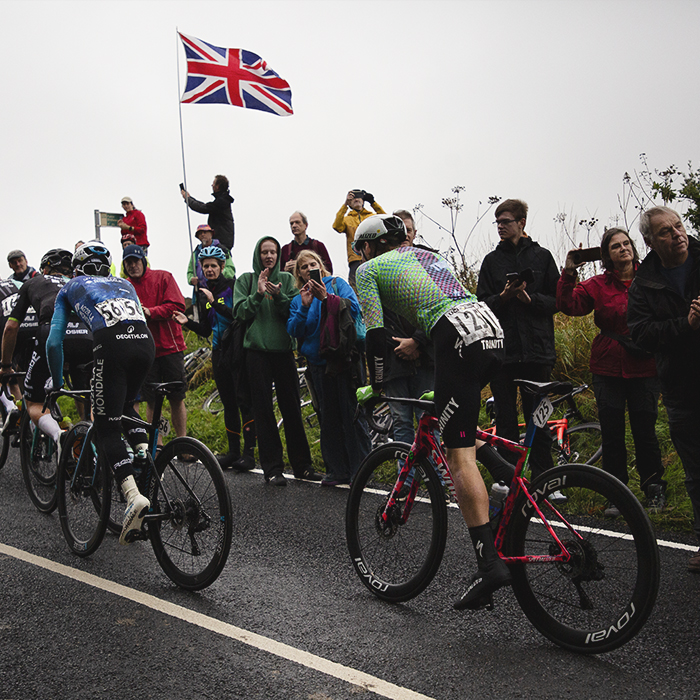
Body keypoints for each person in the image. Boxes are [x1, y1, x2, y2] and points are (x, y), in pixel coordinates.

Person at [354, 214, 510, 611]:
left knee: (458, 457)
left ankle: (489, 564)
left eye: (362, 249)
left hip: (454, 336)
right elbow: (443, 301)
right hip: (487, 326)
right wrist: (422, 344)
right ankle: (510, 482)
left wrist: (377, 385)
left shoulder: (369, 269)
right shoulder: (427, 253)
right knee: (457, 423)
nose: (362, 255)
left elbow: (374, 337)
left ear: (369, 246)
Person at [46, 241, 155, 546]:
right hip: (145, 342)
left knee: (105, 425)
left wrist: (56, 383)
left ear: (77, 267)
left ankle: (133, 496)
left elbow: (55, 343)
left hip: (111, 343)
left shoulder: (70, 287)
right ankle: (144, 457)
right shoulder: (123, 283)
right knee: (126, 407)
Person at [557, 228, 665, 515]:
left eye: (626, 244)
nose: (623, 249)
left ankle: (655, 490)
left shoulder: (651, 279)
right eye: (615, 246)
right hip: (607, 366)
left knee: (645, 432)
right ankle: (616, 495)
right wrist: (569, 273)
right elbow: (569, 305)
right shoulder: (598, 284)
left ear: (633, 248)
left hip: (645, 366)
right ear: (607, 255)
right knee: (612, 434)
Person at [627, 206, 700, 573]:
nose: (677, 234)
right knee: (696, 469)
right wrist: (685, 324)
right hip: (681, 386)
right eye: (667, 231)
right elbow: (640, 335)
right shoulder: (643, 284)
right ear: (650, 242)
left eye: (679, 226)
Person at [476, 199, 559, 480]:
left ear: (522, 222)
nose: (500, 227)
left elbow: (557, 300)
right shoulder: (491, 261)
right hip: (503, 354)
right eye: (497, 222)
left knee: (540, 419)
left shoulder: (543, 256)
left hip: (537, 351)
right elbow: (481, 304)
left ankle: (545, 479)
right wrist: (503, 297)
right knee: (506, 421)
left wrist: (529, 299)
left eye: (506, 221)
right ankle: (510, 479)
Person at [233, 236, 318, 486]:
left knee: (291, 408)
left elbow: (293, 312)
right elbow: (239, 313)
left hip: (283, 352)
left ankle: (303, 466)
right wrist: (258, 295)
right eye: (264, 252)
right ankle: (273, 468)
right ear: (257, 255)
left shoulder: (289, 280)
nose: (269, 256)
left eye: (273, 252)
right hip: (256, 353)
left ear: (278, 255)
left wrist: (280, 296)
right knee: (263, 411)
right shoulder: (246, 280)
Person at [287, 250, 371, 486]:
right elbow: (294, 330)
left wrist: (326, 298)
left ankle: (361, 470)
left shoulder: (337, 284)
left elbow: (354, 309)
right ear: (299, 274)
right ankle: (337, 469)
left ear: (321, 266)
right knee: (329, 418)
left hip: (344, 360)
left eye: (313, 264)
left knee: (352, 414)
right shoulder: (298, 298)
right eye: (304, 267)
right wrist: (304, 306)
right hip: (318, 364)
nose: (309, 269)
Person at [174, 245, 255, 470]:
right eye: (205, 266)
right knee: (228, 403)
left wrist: (214, 300)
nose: (209, 270)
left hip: (237, 350)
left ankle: (249, 454)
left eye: (213, 266)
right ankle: (233, 452)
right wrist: (186, 321)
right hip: (219, 353)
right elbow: (207, 330)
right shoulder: (203, 294)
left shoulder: (232, 286)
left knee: (243, 401)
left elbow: (234, 315)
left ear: (221, 267)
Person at [0, 249, 92, 447]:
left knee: (34, 401)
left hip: (52, 334)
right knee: (87, 396)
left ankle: (59, 435)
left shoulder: (33, 282)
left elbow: (11, 327)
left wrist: (6, 365)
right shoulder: (81, 283)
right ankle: (89, 437)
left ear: (45, 268)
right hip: (88, 338)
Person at [123, 244, 188, 443]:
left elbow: (177, 305)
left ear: (143, 261)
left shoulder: (163, 277)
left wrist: (151, 312)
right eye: (128, 262)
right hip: (143, 352)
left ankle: (182, 442)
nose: (133, 266)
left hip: (170, 347)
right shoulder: (123, 286)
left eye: (136, 261)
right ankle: (157, 446)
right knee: (151, 400)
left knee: (176, 398)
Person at [332, 189, 385, 288]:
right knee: (355, 287)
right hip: (355, 259)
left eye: (359, 197)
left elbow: (385, 220)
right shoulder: (347, 219)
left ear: (363, 201)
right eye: (353, 198)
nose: (356, 199)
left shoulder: (372, 217)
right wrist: (345, 205)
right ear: (350, 204)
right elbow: (337, 226)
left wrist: (373, 203)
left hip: (373, 257)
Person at [181, 175, 235, 250]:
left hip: (222, 243)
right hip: (222, 242)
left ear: (218, 186)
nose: (212, 185)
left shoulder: (222, 202)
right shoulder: (223, 201)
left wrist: (188, 199)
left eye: (214, 183)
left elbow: (202, 208)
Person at [187, 224, 235, 292]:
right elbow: (190, 271)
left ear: (211, 234)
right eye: (200, 233)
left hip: (222, 290)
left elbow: (230, 269)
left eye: (205, 232)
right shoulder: (195, 253)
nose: (202, 235)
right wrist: (191, 279)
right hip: (201, 292)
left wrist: (217, 276)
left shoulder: (222, 250)